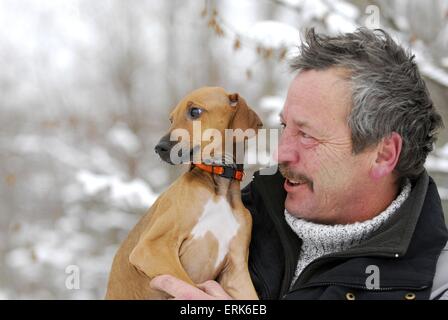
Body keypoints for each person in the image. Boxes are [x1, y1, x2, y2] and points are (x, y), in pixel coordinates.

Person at [150, 28, 448, 300]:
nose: (280, 153)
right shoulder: (227, 219)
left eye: (306, 135)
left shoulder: (437, 285)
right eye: (284, 126)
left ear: (383, 155)